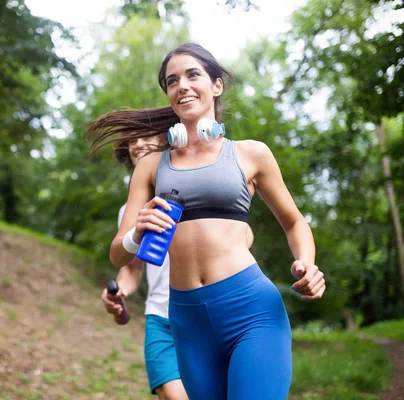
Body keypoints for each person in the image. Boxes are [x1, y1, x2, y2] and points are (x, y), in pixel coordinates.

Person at [87, 43, 326, 400]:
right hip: (186, 320)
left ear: (216, 85)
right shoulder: (150, 166)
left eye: (192, 74)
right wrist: (137, 232)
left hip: (250, 310)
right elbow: (118, 256)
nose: (181, 85)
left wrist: (306, 263)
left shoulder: (250, 153)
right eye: (172, 80)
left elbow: (293, 222)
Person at [101, 135, 254, 399]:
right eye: (132, 140)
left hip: (210, 313)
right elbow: (131, 270)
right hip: (161, 319)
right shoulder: (129, 209)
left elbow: (246, 236)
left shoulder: (198, 187)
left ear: (169, 139)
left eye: (146, 136)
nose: (137, 144)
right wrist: (119, 296)